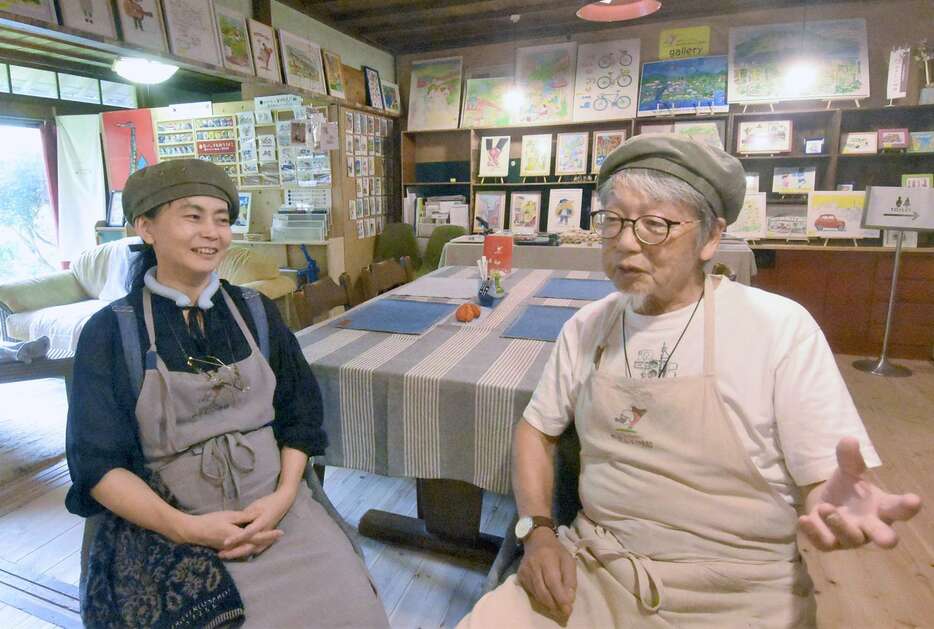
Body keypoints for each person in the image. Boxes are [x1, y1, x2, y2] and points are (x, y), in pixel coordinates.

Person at [459, 135, 921, 628]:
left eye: (655, 224)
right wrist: (538, 533)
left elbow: (823, 480)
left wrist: (833, 498)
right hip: (594, 566)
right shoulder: (586, 326)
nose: (626, 242)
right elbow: (537, 429)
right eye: (612, 221)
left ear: (711, 237)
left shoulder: (778, 326)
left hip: (741, 590)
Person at [65, 159, 388, 628]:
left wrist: (281, 498)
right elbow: (96, 464)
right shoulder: (111, 333)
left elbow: (300, 417)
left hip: (278, 508)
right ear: (146, 227)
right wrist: (187, 527)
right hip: (171, 522)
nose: (212, 232)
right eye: (192, 216)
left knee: (355, 611)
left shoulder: (256, 311)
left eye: (222, 218)